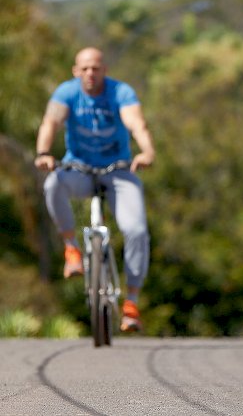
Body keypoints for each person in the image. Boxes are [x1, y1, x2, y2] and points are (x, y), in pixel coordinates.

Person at [34, 47, 155, 332]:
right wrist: (43, 152)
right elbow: (50, 121)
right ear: (76, 71)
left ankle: (132, 303)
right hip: (79, 169)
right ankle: (71, 248)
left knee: (136, 230)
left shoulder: (120, 92)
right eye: (85, 68)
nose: (91, 73)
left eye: (96, 68)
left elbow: (137, 123)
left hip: (118, 171)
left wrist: (147, 151)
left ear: (105, 70)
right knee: (53, 183)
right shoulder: (67, 92)